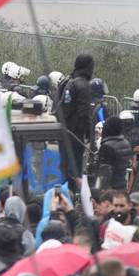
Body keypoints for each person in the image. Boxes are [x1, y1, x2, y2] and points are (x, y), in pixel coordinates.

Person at [55, 54, 94, 182]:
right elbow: (84, 113)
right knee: (74, 168)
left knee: (64, 165)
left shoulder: (67, 82)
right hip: (76, 133)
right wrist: (90, 135)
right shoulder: (84, 86)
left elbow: (59, 105)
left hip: (64, 130)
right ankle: (71, 194)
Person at [96, 117, 133, 190]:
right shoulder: (126, 143)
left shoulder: (107, 146)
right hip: (122, 184)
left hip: (110, 187)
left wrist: (99, 190)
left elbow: (104, 172)